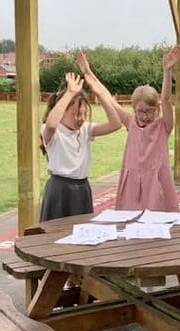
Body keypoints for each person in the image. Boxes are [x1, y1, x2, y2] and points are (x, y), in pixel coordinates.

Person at [78, 46, 180, 212]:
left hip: (156, 184)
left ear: (157, 108)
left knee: (158, 226)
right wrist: (88, 72)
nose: (145, 116)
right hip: (132, 184)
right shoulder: (131, 122)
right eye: (140, 111)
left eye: (150, 110)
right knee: (130, 225)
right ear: (134, 110)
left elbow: (166, 98)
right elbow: (107, 96)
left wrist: (167, 71)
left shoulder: (163, 126)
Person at [39, 67, 121, 222]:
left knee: (81, 234)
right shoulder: (53, 132)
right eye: (76, 114)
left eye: (84, 114)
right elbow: (50, 124)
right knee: (54, 234)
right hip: (59, 189)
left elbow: (115, 124)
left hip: (82, 188)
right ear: (62, 112)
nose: (81, 118)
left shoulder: (85, 130)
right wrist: (69, 93)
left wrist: (100, 95)